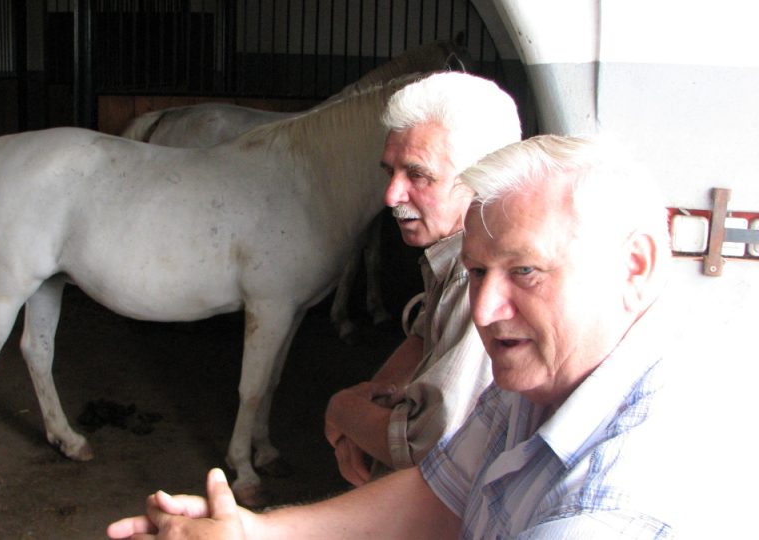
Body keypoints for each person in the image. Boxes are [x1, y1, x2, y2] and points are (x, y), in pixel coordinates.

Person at [106, 134, 679, 538]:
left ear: (635, 266)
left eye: (524, 271)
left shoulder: (612, 512)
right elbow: (436, 498)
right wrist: (252, 533)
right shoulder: (542, 382)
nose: (483, 309)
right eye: (477, 272)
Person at [324, 71, 522, 487]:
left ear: (482, 180)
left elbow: (423, 446)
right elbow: (420, 340)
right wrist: (363, 418)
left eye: (417, 175)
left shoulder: (483, 283)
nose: (391, 196)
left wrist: (342, 410)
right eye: (390, 172)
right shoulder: (452, 255)